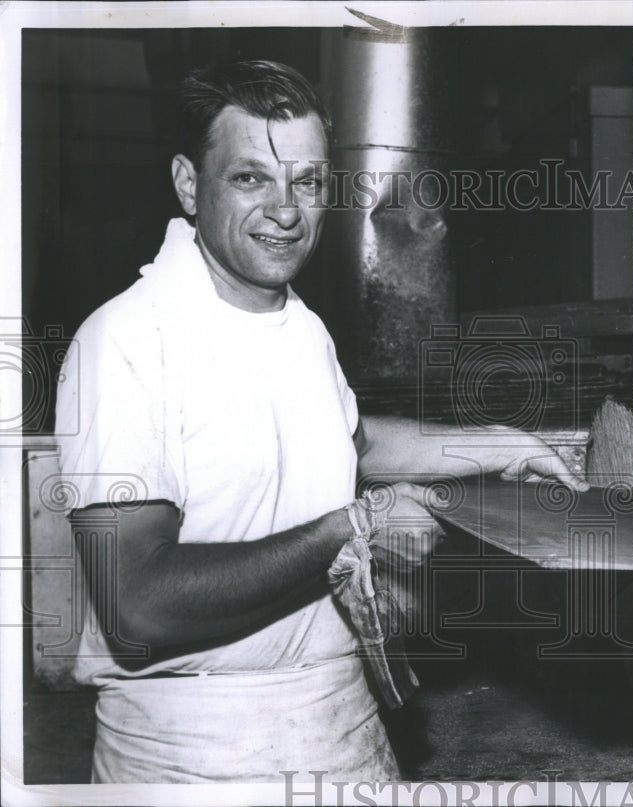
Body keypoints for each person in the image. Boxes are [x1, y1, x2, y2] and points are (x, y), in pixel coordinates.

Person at [54, 59, 587, 784]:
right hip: (195, 751)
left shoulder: (302, 328)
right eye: (251, 178)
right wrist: (353, 527)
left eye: (307, 182)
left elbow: (354, 440)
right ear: (188, 184)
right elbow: (139, 604)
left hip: (343, 720)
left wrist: (500, 444)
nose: (286, 211)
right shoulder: (122, 342)